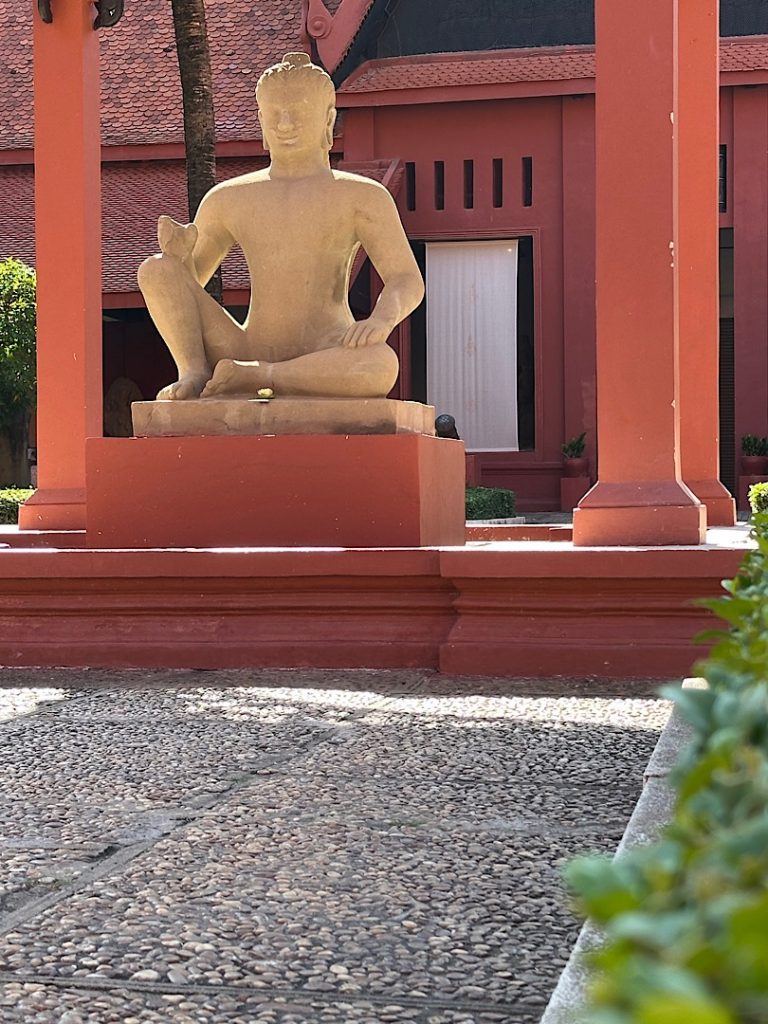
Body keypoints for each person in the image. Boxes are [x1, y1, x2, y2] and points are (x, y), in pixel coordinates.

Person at [137, 52, 424, 401]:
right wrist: (179, 260)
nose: (284, 125)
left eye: (298, 114)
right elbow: (187, 285)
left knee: (379, 365)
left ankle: (263, 376)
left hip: (326, 347)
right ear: (260, 120)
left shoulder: (360, 196)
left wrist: (382, 319)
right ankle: (195, 371)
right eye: (274, 115)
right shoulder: (227, 198)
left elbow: (406, 279)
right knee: (156, 270)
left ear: (328, 120)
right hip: (243, 347)